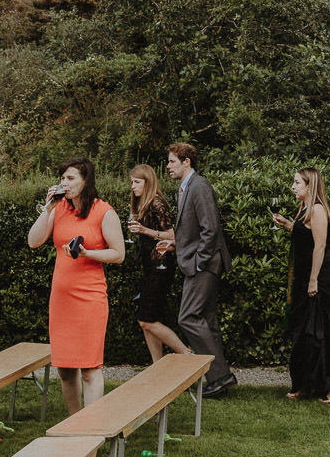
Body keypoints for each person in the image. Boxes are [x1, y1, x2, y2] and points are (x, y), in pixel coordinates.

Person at [28, 157, 124, 414]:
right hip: (62, 299)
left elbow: (118, 254)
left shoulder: (104, 211)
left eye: (70, 178)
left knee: (90, 369)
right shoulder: (59, 209)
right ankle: (74, 423)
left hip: (90, 298)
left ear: (86, 181)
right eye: (62, 178)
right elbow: (34, 241)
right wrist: (47, 208)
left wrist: (86, 254)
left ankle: (90, 430)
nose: (64, 183)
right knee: (66, 369)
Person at [272, 169, 330, 403]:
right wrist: (287, 224)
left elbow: (319, 246)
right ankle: (306, 383)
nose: (293, 187)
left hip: (319, 277)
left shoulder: (316, 208)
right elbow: (304, 235)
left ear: (309, 185)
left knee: (320, 333)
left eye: (297, 183)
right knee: (303, 333)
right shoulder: (303, 209)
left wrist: (314, 279)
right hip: (305, 278)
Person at [168, 143, 235, 396]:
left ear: (187, 162)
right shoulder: (185, 189)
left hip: (203, 265)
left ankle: (220, 376)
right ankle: (219, 378)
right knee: (206, 320)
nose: (169, 166)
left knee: (188, 317)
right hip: (198, 261)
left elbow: (211, 228)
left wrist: (199, 261)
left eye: (173, 161)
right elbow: (193, 230)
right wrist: (176, 245)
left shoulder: (199, 186)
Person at [124, 164, 189, 364]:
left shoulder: (157, 203)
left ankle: (188, 356)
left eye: (137, 182)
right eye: (132, 182)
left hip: (160, 268)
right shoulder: (144, 204)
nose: (133, 186)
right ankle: (157, 366)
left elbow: (172, 236)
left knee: (146, 320)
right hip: (151, 268)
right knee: (146, 321)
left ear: (148, 182)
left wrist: (144, 230)